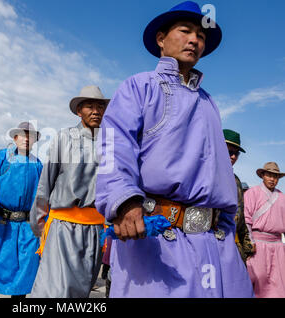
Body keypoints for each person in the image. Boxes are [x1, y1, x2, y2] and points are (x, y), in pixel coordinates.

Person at [94, 1, 254, 297]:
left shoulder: (209, 103)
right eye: (185, 30)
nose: (195, 39)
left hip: (215, 245)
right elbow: (113, 148)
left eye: (201, 35)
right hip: (158, 240)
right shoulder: (138, 87)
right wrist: (125, 202)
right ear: (161, 39)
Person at [30, 86, 109, 298]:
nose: (96, 111)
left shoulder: (110, 143)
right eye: (89, 106)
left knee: (82, 290)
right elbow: (45, 183)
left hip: (96, 230)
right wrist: (40, 227)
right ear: (78, 111)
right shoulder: (63, 138)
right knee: (56, 290)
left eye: (100, 106)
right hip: (63, 226)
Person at [0, 122, 43, 298]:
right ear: (15, 138)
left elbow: (43, 194)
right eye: (23, 135)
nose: (27, 139)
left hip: (26, 225)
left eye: (31, 136)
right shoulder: (2, 157)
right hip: (1, 222)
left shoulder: (37, 164)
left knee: (25, 267)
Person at [244, 162, 285, 297]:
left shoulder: (282, 197)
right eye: (269, 175)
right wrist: (249, 243)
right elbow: (246, 220)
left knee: (279, 283)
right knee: (256, 279)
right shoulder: (252, 193)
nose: (272, 179)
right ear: (263, 175)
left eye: (275, 176)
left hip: (278, 246)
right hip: (257, 245)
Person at [223, 129, 255, 264]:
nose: (234, 157)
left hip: (234, 246)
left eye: (236, 154)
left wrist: (247, 246)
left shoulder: (236, 181)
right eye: (230, 152)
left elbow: (240, 217)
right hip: (209, 245)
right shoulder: (203, 175)